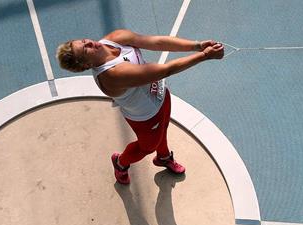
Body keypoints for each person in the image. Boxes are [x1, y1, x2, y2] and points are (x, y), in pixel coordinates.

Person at [56, 29, 224, 184]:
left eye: (84, 41)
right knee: (147, 147)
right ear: (85, 65)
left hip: (160, 95)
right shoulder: (113, 75)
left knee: (163, 128)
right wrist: (204, 56)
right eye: (86, 50)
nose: (90, 43)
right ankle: (121, 163)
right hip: (145, 117)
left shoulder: (115, 38)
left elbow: (156, 42)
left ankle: (163, 157)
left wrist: (197, 45)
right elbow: (166, 70)